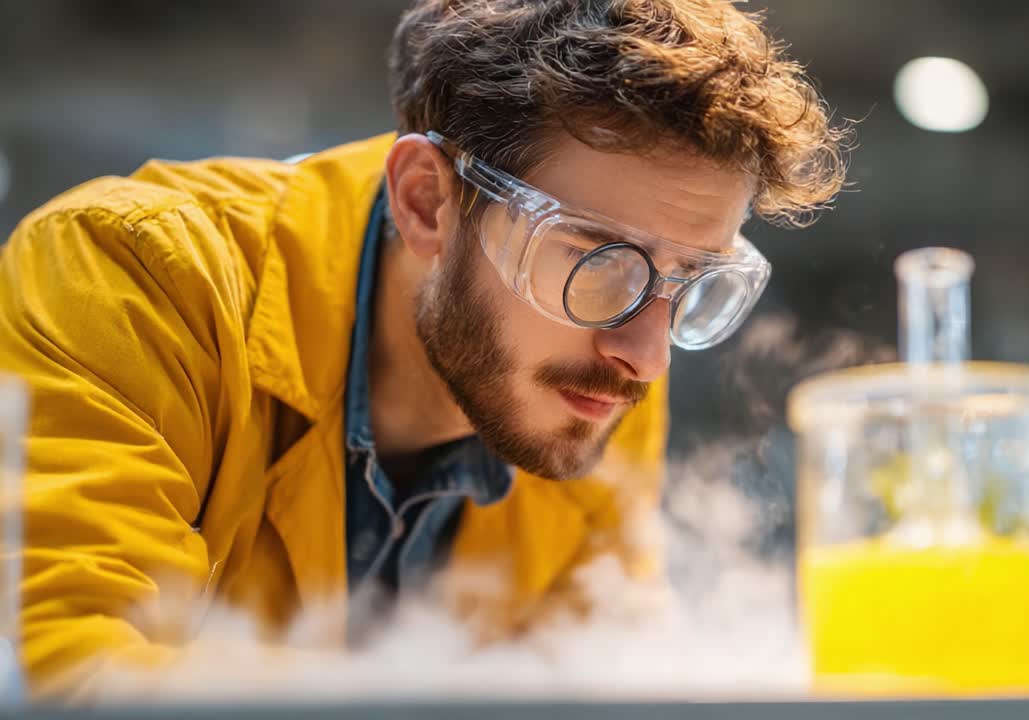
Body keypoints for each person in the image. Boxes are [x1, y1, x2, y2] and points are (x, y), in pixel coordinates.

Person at [0, 0, 846, 699]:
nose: (648, 355)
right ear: (427, 204)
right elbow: (63, 672)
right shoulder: (134, 274)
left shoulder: (598, 377)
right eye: (598, 259)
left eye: (690, 282)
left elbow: (603, 670)